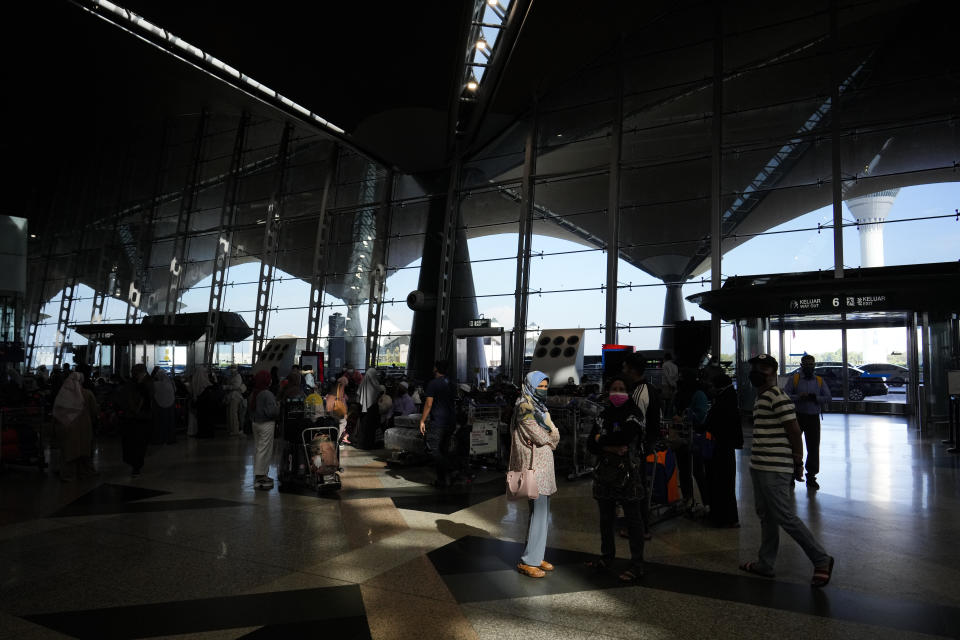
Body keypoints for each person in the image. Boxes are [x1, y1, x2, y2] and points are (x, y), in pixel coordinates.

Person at [740, 354, 835, 588]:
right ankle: (766, 563)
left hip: (774, 468)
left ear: (772, 371)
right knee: (767, 517)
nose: (756, 372)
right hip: (759, 466)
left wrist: (798, 461)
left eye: (762, 368)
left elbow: (794, 430)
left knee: (784, 516)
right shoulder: (761, 396)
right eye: (754, 367)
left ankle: (821, 559)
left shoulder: (776, 396)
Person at [586, 377, 646, 582]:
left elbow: (626, 437)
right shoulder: (603, 415)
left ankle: (637, 564)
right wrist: (608, 446)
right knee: (605, 519)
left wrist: (601, 441)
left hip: (628, 473)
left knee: (633, 520)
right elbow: (589, 444)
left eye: (622, 388)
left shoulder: (634, 413)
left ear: (628, 392)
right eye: (614, 388)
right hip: (605, 473)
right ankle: (607, 556)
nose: (618, 392)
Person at [509, 371, 560, 578]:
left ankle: (536, 556)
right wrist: (550, 433)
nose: (544, 390)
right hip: (535, 468)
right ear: (530, 385)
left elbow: (554, 436)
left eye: (546, 387)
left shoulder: (539, 407)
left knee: (541, 515)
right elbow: (541, 436)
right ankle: (528, 560)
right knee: (538, 514)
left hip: (543, 468)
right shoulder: (524, 407)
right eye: (540, 386)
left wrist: (551, 433)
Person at [782, 355, 831, 490]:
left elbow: (828, 397)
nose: (809, 366)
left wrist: (816, 398)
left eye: (811, 364)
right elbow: (785, 395)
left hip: (813, 418)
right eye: (806, 364)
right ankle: (791, 474)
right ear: (801, 365)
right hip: (797, 416)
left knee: (813, 447)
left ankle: (811, 477)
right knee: (793, 446)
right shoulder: (795, 379)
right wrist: (798, 397)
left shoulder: (819, 381)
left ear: (814, 365)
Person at [703, 372, 742, 528]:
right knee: (725, 482)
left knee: (720, 481)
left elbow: (714, 423)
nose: (711, 388)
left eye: (713, 385)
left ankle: (721, 517)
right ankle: (727, 516)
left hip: (720, 447)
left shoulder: (724, 401)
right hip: (725, 447)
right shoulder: (729, 397)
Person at [52, 372, 99, 482]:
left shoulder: (62, 395)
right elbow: (94, 411)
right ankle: (85, 472)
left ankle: (68, 475)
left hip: (65, 428)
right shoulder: (87, 394)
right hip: (84, 428)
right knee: (84, 451)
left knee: (68, 452)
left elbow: (56, 414)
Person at [419, 360, 457, 486]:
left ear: (436, 369)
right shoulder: (451, 383)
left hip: (438, 422)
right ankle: (442, 480)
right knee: (443, 450)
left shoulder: (433, 384)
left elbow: (429, 404)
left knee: (434, 450)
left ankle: (452, 469)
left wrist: (422, 420)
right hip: (450, 421)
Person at [120, 364, 153, 477]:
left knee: (135, 444)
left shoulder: (137, 384)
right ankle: (136, 465)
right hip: (139, 419)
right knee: (138, 444)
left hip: (135, 419)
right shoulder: (142, 384)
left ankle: (135, 465)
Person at [249, 370, 279, 489]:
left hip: (255, 423)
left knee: (258, 449)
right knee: (264, 450)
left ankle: (259, 474)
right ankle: (261, 477)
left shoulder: (254, 393)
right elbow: (271, 412)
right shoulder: (267, 394)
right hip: (266, 424)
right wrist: (278, 406)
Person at [354, 368, 382, 449]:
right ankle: (369, 445)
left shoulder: (362, 384)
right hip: (372, 409)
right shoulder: (376, 384)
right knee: (370, 428)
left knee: (363, 427)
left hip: (363, 409)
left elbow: (358, 397)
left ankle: (362, 444)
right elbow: (378, 395)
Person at [151, 367, 177, 444]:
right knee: (170, 423)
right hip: (171, 406)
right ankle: (170, 438)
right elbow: (175, 390)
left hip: (159, 407)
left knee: (160, 423)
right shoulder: (170, 383)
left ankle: (161, 439)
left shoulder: (156, 384)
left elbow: (153, 394)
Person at [222, 366, 247, 438]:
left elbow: (236, 386)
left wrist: (226, 387)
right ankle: (231, 429)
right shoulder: (232, 376)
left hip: (235, 397)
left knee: (233, 414)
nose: (231, 370)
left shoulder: (238, 376)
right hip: (232, 397)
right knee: (230, 414)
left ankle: (235, 430)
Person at [661, 352, 679, 417]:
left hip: (666, 386)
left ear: (665, 358)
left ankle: (665, 417)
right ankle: (670, 417)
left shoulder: (664, 365)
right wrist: (674, 385)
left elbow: (666, 376)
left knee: (665, 403)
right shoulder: (675, 366)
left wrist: (670, 384)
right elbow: (676, 378)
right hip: (674, 387)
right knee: (671, 404)